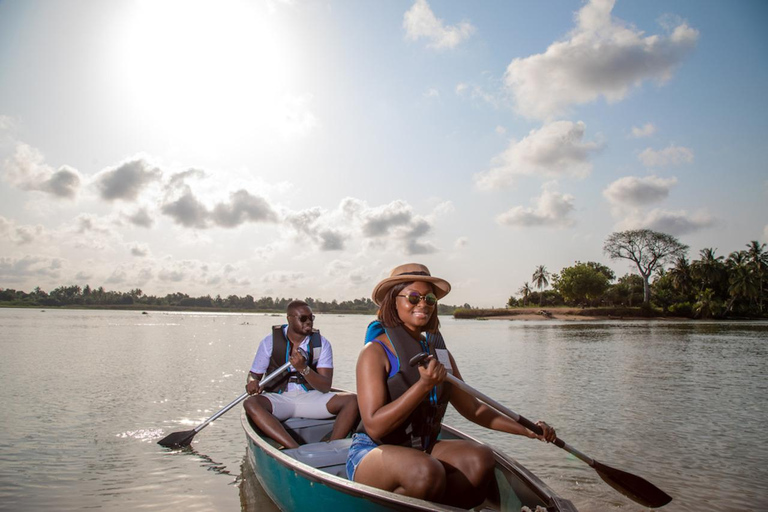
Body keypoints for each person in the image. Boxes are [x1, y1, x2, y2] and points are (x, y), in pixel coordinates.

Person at [346, 263, 556, 508]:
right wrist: (423, 386)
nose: (422, 303)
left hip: (422, 448)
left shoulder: (440, 355)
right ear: (394, 301)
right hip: (374, 452)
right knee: (425, 471)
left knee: (480, 459)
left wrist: (525, 429)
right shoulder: (375, 352)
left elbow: (474, 410)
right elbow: (374, 426)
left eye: (430, 298)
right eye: (413, 297)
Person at [243, 300, 358, 449]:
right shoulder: (269, 341)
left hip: (310, 398)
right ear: (289, 319)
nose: (309, 322)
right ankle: (295, 450)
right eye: (303, 318)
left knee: (352, 401)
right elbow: (254, 374)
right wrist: (252, 382)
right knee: (251, 403)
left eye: (311, 317)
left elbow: (325, 386)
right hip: (280, 398)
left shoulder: (322, 344)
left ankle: (331, 447)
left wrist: (304, 369)